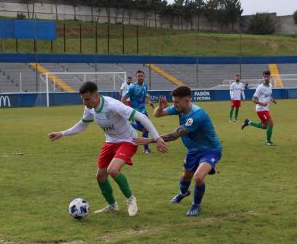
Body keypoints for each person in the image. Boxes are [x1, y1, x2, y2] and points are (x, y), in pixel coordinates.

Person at [48, 81, 167, 217]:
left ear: (96, 95)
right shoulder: (89, 108)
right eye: (83, 100)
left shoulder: (112, 105)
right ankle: (112, 206)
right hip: (110, 142)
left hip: (128, 141)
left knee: (113, 170)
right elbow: (83, 125)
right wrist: (62, 133)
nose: (85, 103)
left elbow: (142, 116)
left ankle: (130, 198)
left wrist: (157, 138)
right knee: (100, 176)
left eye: (87, 99)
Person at [135, 86, 222, 217]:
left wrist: (150, 140)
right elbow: (157, 114)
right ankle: (183, 193)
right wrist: (160, 107)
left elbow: (175, 135)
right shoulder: (179, 108)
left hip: (210, 150)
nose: (174, 104)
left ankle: (196, 205)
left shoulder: (197, 115)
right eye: (173, 101)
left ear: (186, 101)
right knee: (185, 176)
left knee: (198, 177)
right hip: (192, 150)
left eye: (176, 102)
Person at [121, 70, 155, 154]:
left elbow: (145, 95)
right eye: (138, 76)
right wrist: (129, 109)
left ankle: (130, 125)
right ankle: (145, 148)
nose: (140, 77)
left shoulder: (145, 85)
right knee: (146, 129)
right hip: (135, 112)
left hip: (144, 111)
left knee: (146, 129)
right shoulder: (132, 87)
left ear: (144, 77)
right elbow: (123, 99)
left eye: (141, 76)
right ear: (136, 77)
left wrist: (149, 102)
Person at [241, 70, 277, 146]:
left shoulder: (270, 85)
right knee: (271, 123)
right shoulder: (260, 87)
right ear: (263, 77)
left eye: (268, 76)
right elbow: (253, 99)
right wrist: (262, 103)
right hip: (261, 109)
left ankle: (248, 122)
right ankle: (268, 141)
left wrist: (273, 100)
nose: (266, 78)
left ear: (270, 77)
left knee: (264, 126)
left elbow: (268, 95)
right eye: (265, 76)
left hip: (266, 109)